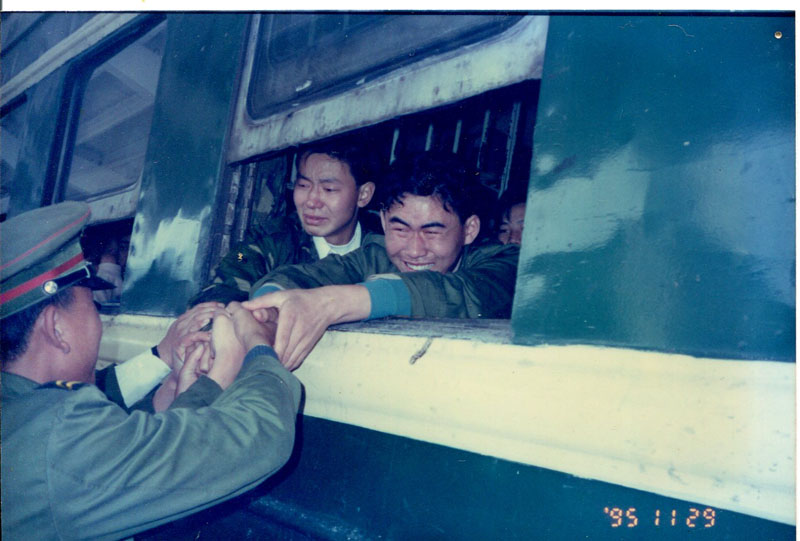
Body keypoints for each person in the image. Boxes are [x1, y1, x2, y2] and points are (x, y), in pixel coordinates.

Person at [1, 202, 302, 541]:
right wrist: (255, 340)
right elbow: (262, 436)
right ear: (56, 328)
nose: (312, 199)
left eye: (328, 187)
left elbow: (131, 467)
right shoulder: (59, 437)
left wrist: (182, 389)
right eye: (92, 307)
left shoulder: (24, 416)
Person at [244, 153, 520, 370]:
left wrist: (334, 303)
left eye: (432, 232)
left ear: (469, 230)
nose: (414, 250)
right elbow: (306, 275)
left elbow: (464, 294)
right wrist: (268, 308)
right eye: (400, 229)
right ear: (385, 222)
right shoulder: (375, 255)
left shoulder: (506, 261)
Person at [189, 138, 380, 305]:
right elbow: (238, 263)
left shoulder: (386, 241)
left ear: (363, 194)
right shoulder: (268, 241)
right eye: (303, 185)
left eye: (328, 189)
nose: (311, 201)